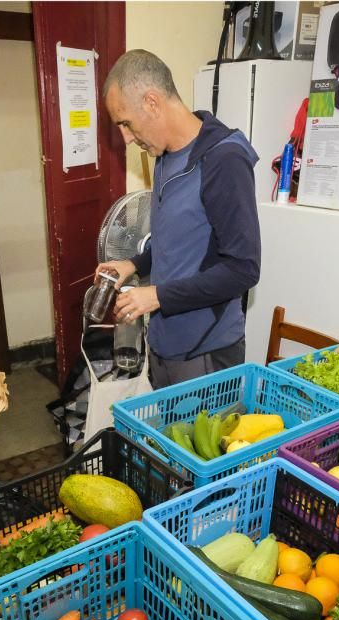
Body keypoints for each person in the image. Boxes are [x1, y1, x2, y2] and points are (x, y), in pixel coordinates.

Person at [99, 49, 261, 389]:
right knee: (166, 441)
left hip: (206, 351)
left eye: (126, 123)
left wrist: (158, 296)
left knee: (203, 444)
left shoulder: (224, 160)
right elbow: (177, 237)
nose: (126, 139)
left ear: (152, 102)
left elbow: (243, 269)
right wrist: (135, 264)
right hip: (165, 343)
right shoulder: (164, 156)